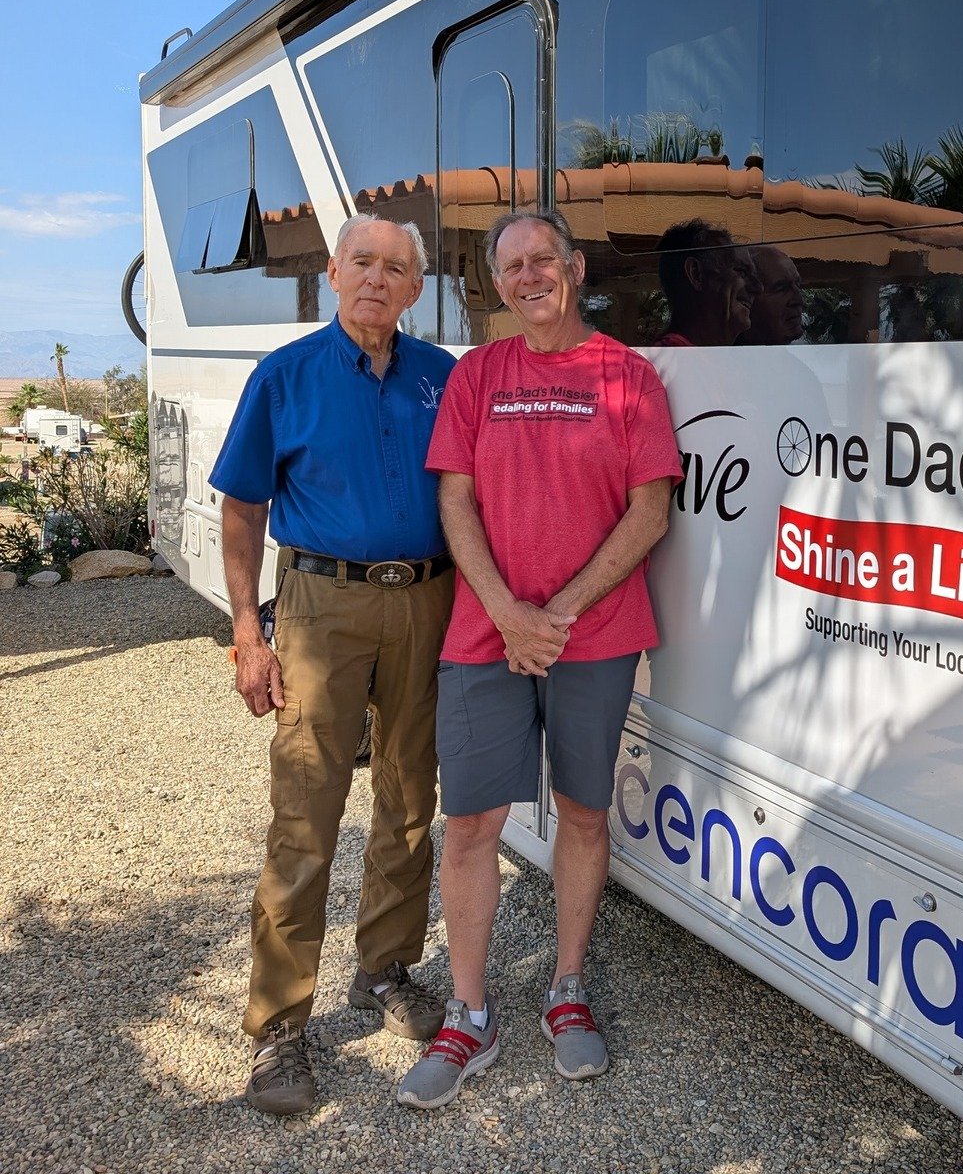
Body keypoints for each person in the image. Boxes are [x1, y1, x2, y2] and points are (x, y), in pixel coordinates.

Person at [398, 208, 680, 1106]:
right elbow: (455, 502)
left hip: (591, 635)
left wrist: (552, 615)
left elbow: (650, 513)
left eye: (543, 260)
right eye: (511, 265)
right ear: (498, 281)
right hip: (485, 636)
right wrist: (508, 615)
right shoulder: (478, 374)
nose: (529, 277)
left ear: (576, 266)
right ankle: (469, 1013)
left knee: (584, 816)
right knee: (475, 824)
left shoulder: (628, 377)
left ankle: (566, 988)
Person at [211, 214, 457, 1116]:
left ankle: (386, 969)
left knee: (407, 795)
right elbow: (241, 511)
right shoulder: (286, 377)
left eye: (397, 268)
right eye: (364, 263)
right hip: (322, 602)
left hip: (429, 601)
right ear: (333, 270)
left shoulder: (443, 377)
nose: (378, 280)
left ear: (415, 286)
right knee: (307, 807)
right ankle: (279, 1027)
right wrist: (248, 631)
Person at [653, 219, 759, 346]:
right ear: (696, 273)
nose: (758, 287)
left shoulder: (709, 358)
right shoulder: (672, 357)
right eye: (741, 271)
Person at [736, 245, 805, 345]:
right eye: (781, 288)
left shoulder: (810, 358)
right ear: (745, 301)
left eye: (798, 285)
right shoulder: (717, 357)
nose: (799, 300)